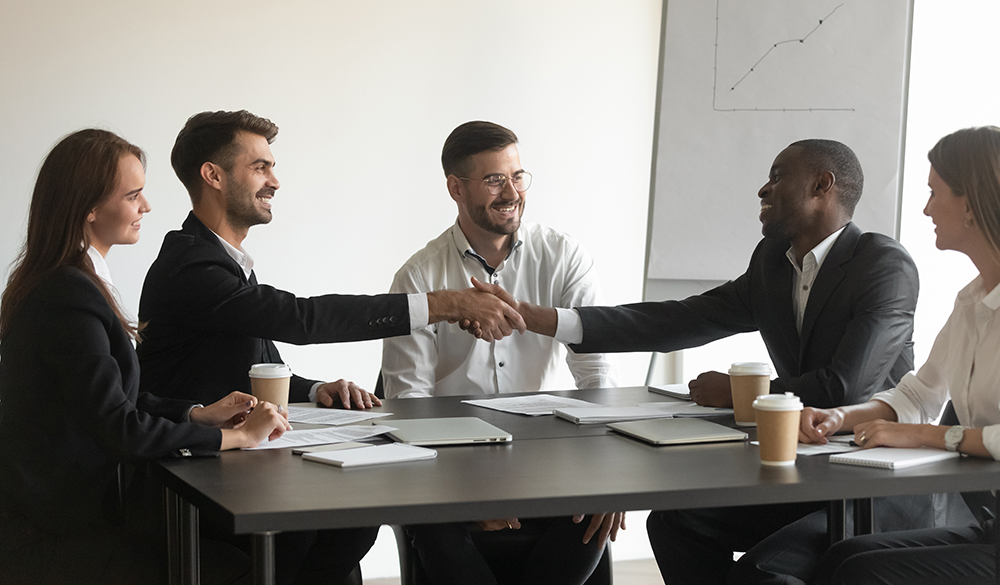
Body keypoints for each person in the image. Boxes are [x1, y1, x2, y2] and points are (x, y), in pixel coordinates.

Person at [471, 139, 921, 585]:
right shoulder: (774, 264)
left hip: (871, 485)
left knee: (763, 572)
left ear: (822, 186)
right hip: (801, 472)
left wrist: (743, 392)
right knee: (676, 523)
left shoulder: (882, 265)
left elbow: (845, 388)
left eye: (779, 177)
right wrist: (543, 319)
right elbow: (679, 319)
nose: (763, 190)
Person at [136, 110, 524, 585]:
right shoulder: (191, 267)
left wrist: (316, 388)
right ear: (213, 175)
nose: (275, 181)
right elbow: (303, 319)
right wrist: (441, 304)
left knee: (358, 510)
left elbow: (257, 369)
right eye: (260, 167)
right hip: (195, 478)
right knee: (348, 514)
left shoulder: (222, 261)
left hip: (239, 462)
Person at [0, 129, 290, 585]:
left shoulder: (71, 282)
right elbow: (119, 427)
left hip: (73, 515)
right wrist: (239, 439)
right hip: (55, 534)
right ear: (89, 208)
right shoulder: (68, 294)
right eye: (133, 195)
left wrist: (199, 414)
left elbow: (112, 401)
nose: (147, 207)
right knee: (236, 566)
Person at [381, 120, 620, 585]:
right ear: (455, 187)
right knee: (434, 526)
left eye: (517, 176)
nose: (511, 192)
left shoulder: (565, 257)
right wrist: (469, 495)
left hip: (552, 460)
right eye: (493, 180)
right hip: (451, 466)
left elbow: (598, 372)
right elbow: (408, 404)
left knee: (595, 516)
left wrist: (610, 473)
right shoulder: (417, 277)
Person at [796, 126, 1000, 585]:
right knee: (840, 558)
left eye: (934, 192)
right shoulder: (971, 305)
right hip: (993, 526)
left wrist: (930, 437)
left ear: (969, 204)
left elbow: (930, 427)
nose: (926, 208)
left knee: (863, 573)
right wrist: (838, 416)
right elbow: (919, 395)